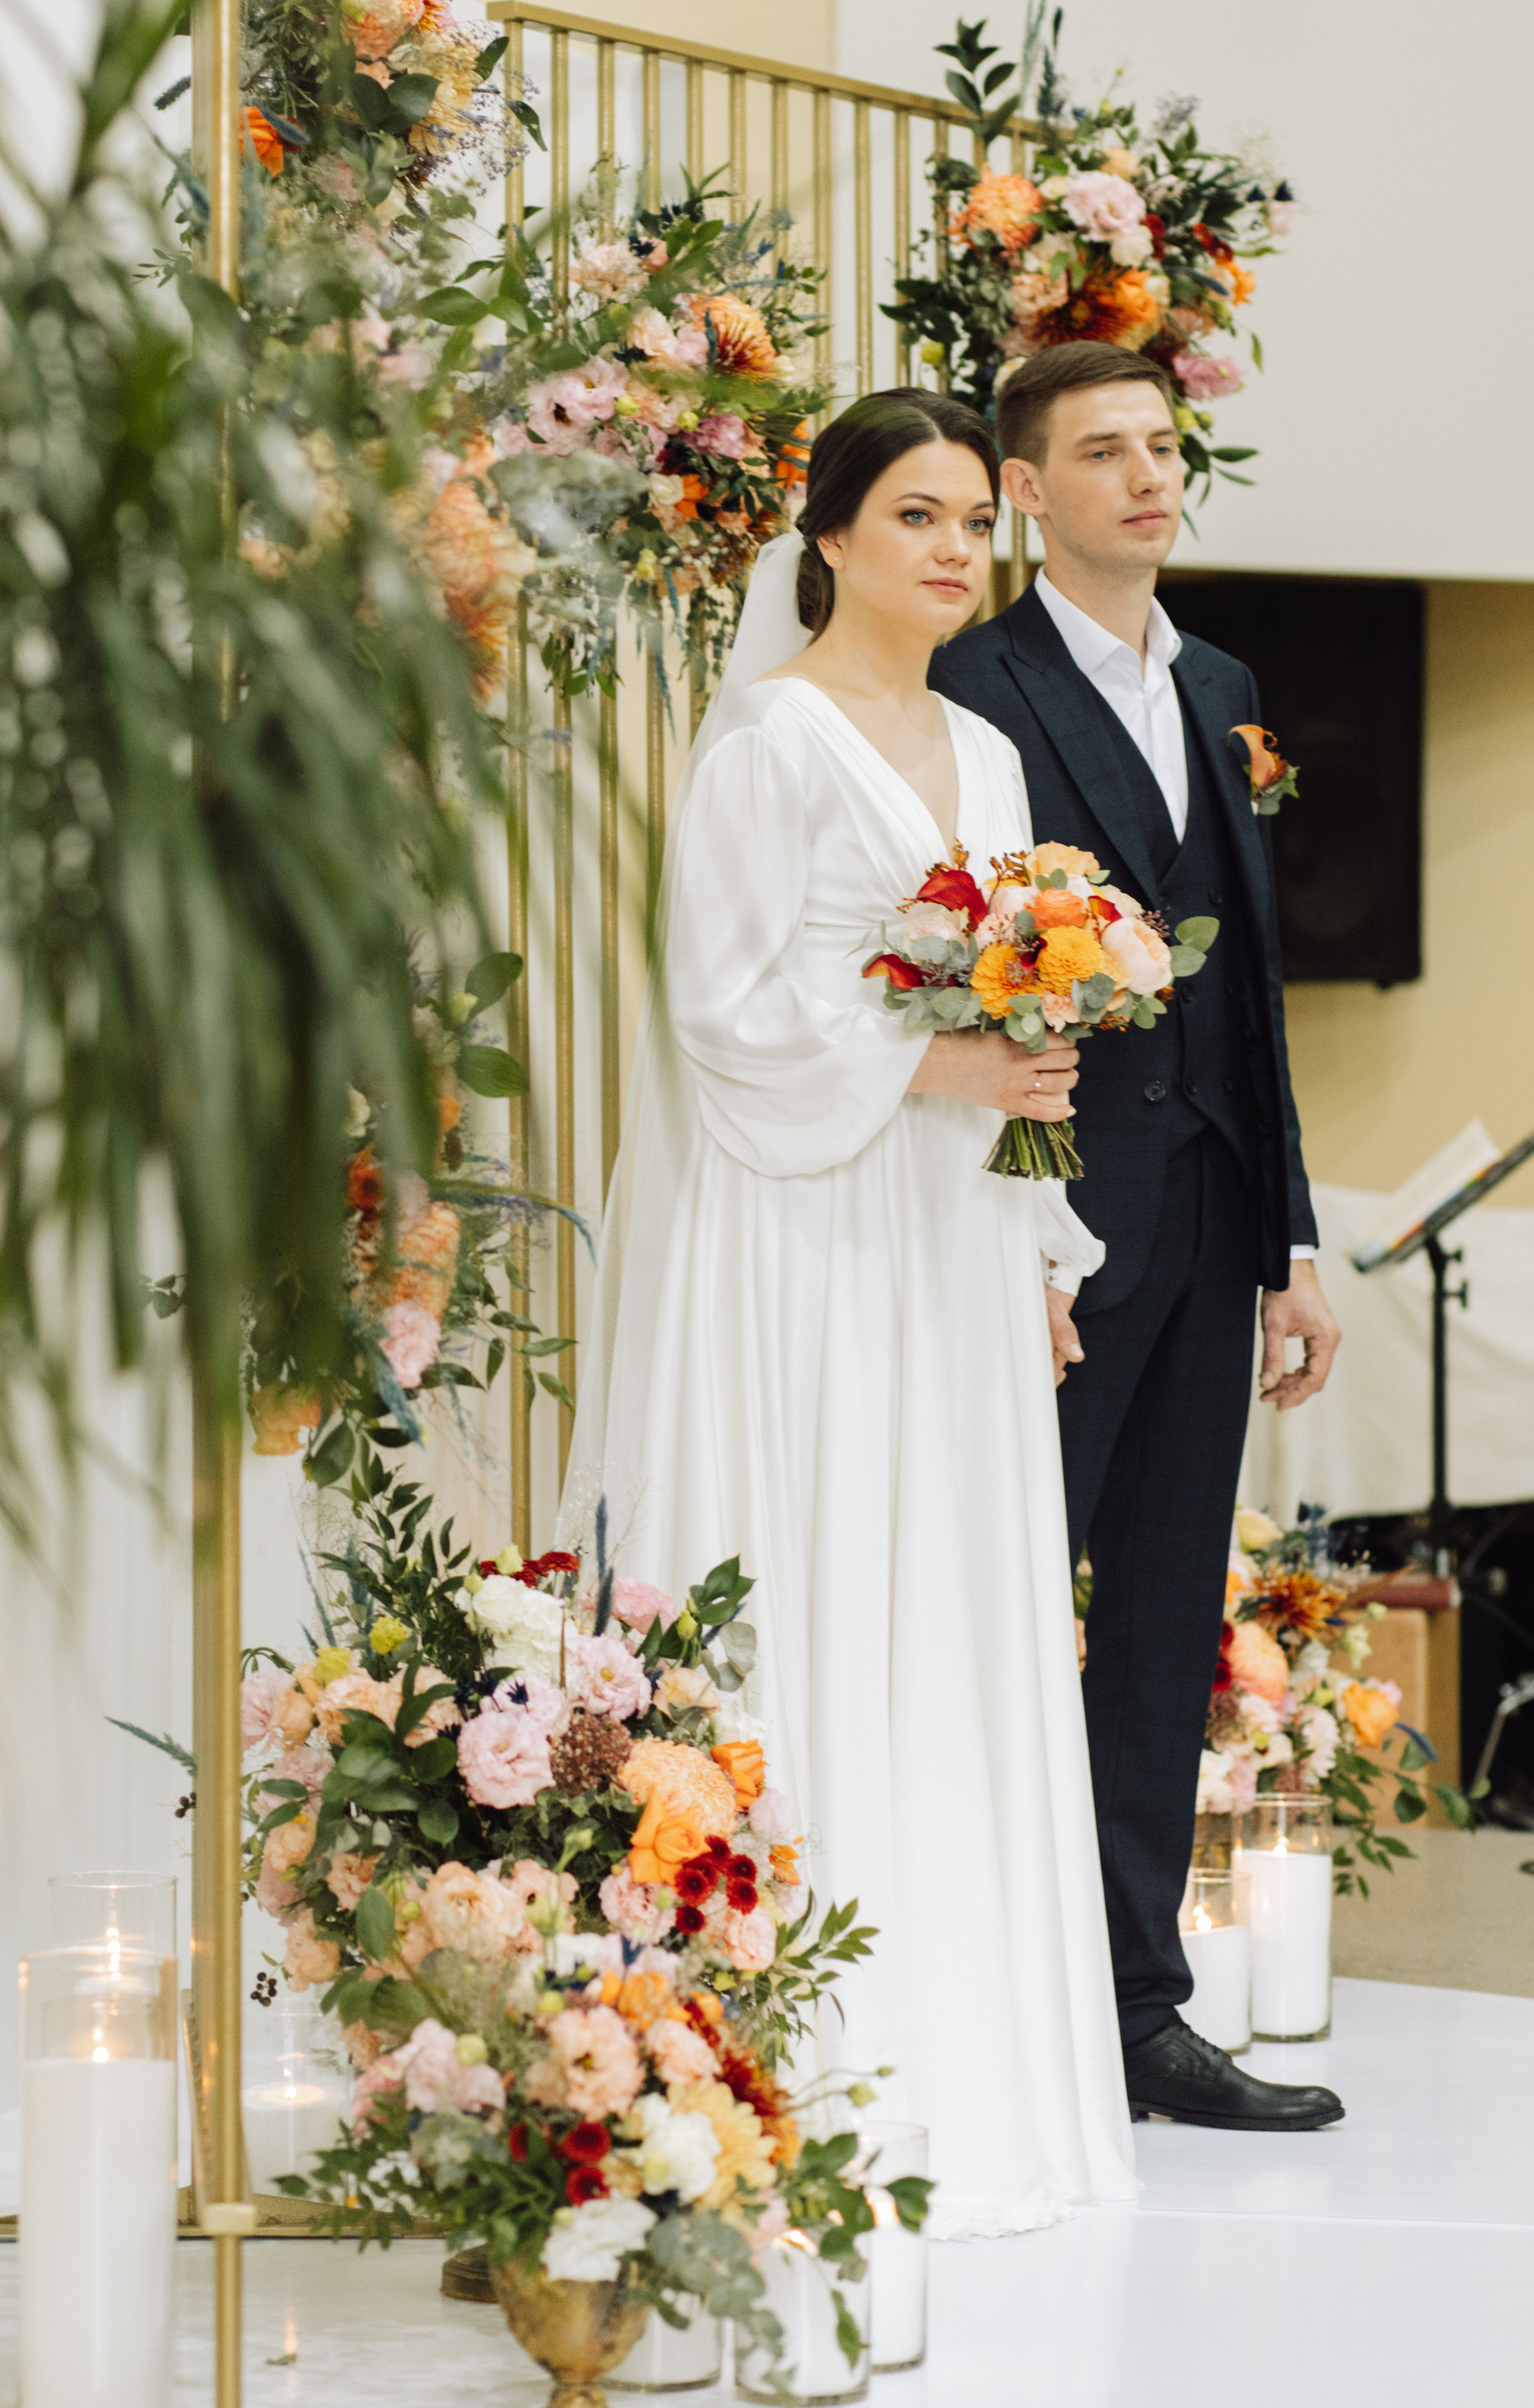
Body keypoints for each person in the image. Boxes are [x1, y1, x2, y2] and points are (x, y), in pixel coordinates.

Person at [563, 388, 1137, 2239]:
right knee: (821, 1571)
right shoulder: (768, 745)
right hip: (804, 1230)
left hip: (945, 1237)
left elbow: (1006, 1002)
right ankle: (788, 2069)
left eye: (975, 516)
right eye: (915, 515)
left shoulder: (984, 743)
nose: (956, 548)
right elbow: (721, 1013)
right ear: (823, 539)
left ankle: (968, 2068)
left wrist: (1036, 1247)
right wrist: (940, 1072)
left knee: (954, 1600)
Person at [931, 338, 1343, 2135]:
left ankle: (1135, 2016)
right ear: (1025, 491)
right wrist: (1000, 1248)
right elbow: (934, 973)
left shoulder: (1223, 680)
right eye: (1101, 453)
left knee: (1165, 1626)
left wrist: (1294, 1247)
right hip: (1042, 1240)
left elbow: (1249, 990)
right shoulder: (968, 686)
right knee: (996, 1610)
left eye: (1160, 447)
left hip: (1209, 1216)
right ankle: (974, 2005)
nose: (1146, 478)